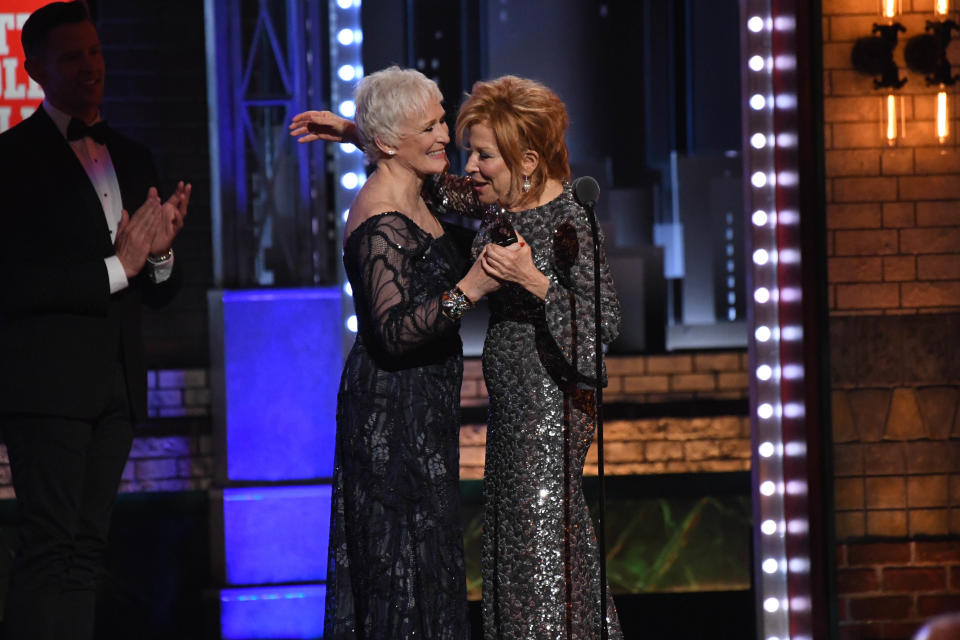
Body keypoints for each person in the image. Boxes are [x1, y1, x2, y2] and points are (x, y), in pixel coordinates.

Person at [292, 74, 623, 639]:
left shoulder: (567, 221)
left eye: (482, 152)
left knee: (539, 560)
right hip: (497, 416)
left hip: (545, 418)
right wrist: (360, 133)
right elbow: (425, 178)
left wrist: (533, 280)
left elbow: (601, 330)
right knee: (511, 561)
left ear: (526, 158)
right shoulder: (500, 198)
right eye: (462, 143)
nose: (467, 161)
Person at [0, 3, 190, 639]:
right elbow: (14, 283)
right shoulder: (12, 161)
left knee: (88, 551)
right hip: (47, 391)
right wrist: (120, 265)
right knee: (48, 549)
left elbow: (159, 289)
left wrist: (160, 256)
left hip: (118, 386)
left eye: (96, 52)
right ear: (35, 69)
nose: (91, 67)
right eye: (73, 56)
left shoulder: (132, 156)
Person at [291, 66, 499, 639]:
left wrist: (358, 131)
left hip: (426, 410)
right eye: (428, 126)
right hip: (390, 412)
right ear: (391, 143)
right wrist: (468, 291)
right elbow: (394, 332)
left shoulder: (425, 188)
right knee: (400, 572)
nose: (443, 136)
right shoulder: (379, 219)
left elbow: (487, 201)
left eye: (440, 120)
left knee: (430, 566)